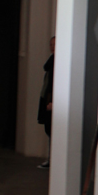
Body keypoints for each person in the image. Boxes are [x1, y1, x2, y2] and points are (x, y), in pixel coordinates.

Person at [37, 36, 55, 169]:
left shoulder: (57, 61)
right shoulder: (52, 61)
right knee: (49, 129)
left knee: (51, 130)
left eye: (54, 44)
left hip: (50, 100)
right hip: (47, 99)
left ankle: (53, 160)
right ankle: (51, 159)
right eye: (51, 44)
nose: (52, 47)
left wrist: (52, 101)